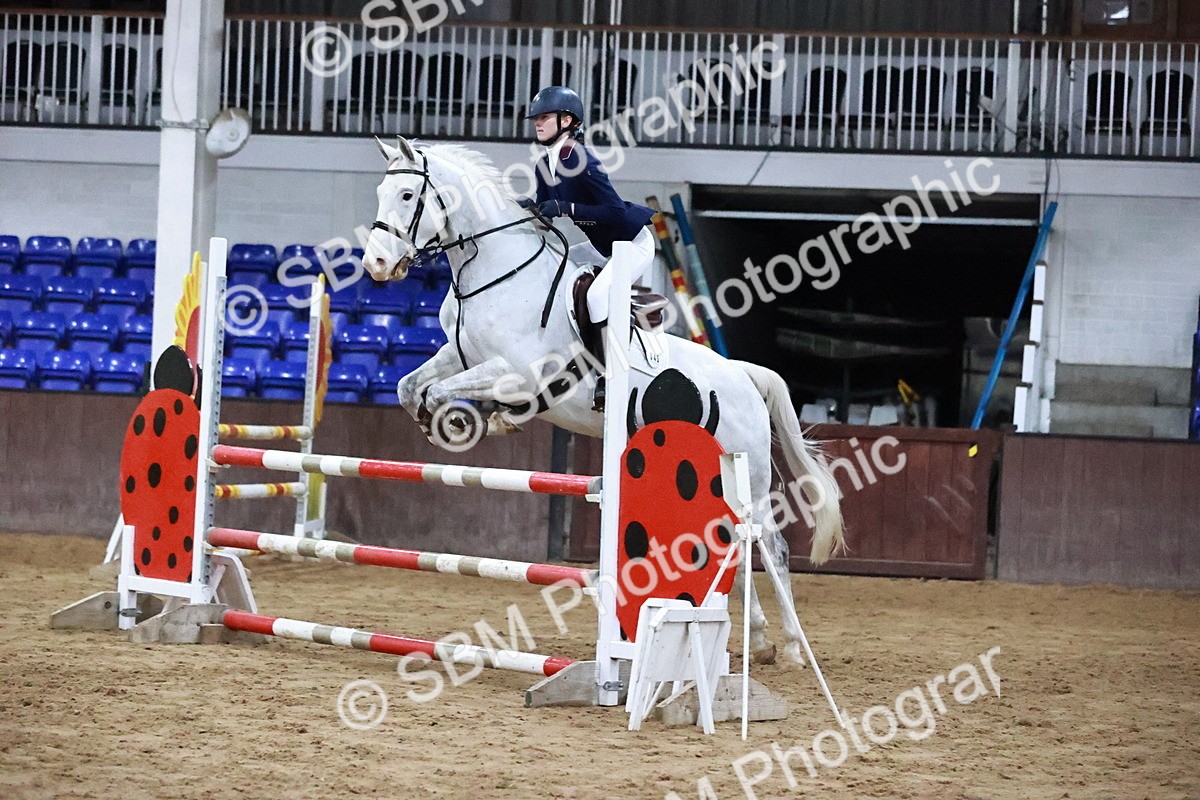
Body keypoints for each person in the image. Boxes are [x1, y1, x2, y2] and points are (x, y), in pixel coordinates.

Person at [522, 85, 655, 410]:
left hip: (631, 244)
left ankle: (606, 376)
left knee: (597, 296)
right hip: (599, 245)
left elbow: (615, 211)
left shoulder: (580, 158)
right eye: (536, 118)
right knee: (555, 268)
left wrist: (568, 209)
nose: (537, 124)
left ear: (567, 120)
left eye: (544, 117)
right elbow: (544, 214)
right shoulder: (544, 165)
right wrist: (522, 210)